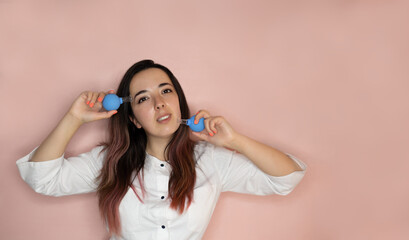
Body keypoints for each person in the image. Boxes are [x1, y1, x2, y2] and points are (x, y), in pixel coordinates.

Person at [16, 59, 306, 240]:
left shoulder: (212, 162)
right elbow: (42, 179)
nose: (159, 103)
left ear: (178, 101)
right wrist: (74, 118)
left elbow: (286, 177)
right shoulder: (109, 163)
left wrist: (234, 141)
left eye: (166, 91)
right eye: (143, 99)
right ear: (133, 119)